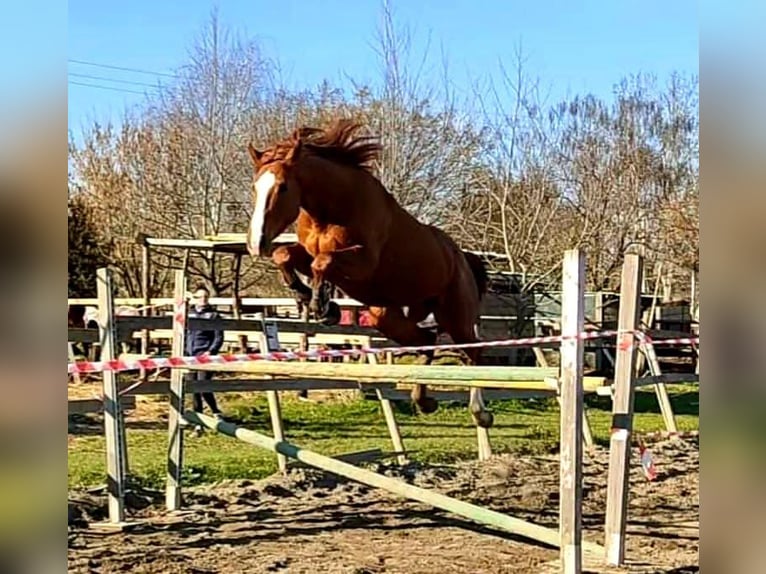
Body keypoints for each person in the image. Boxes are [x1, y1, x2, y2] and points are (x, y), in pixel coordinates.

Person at [186, 285, 225, 434]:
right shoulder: (189, 314)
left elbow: (219, 336)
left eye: (205, 297)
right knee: (194, 389)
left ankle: (216, 412)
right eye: (200, 297)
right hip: (190, 356)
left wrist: (211, 351)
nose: (203, 300)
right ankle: (198, 423)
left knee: (203, 386)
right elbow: (184, 334)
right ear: (195, 298)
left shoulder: (213, 315)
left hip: (205, 355)